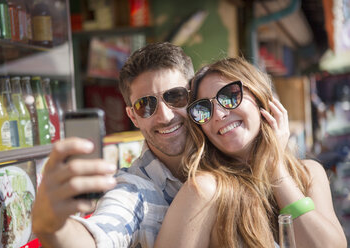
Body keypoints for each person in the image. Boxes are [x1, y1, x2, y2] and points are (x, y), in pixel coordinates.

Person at [154, 57, 347, 248]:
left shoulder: (309, 174)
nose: (219, 114)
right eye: (203, 109)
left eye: (229, 96)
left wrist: (276, 167)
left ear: (260, 97)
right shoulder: (205, 191)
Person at [32, 42, 194, 247]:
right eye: (145, 105)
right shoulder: (132, 189)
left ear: (193, 96)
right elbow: (103, 234)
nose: (165, 116)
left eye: (176, 96)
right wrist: (53, 227)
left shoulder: (225, 153)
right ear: (133, 117)